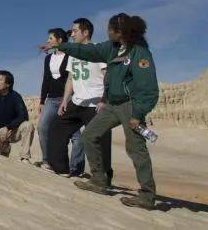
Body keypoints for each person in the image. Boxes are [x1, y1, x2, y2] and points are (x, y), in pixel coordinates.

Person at [45, 13, 159, 210]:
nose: (108, 31)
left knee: (136, 148)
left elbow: (149, 89)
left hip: (131, 106)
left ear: (121, 31)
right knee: (90, 134)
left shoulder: (139, 52)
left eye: (111, 28)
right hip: (112, 105)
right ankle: (99, 180)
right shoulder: (111, 47)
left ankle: (147, 196)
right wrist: (61, 46)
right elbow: (87, 51)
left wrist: (138, 114)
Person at [47, 18, 113, 183]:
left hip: (96, 103)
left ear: (86, 33)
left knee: (100, 141)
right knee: (56, 128)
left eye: (75, 31)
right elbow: (70, 78)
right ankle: (61, 169)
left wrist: (104, 99)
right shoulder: (73, 53)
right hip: (77, 102)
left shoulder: (98, 51)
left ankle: (104, 177)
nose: (72, 34)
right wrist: (64, 101)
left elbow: (108, 77)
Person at [37, 28, 81, 172]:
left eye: (51, 38)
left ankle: (76, 168)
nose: (48, 41)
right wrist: (42, 101)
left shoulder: (71, 56)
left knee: (75, 135)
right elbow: (46, 79)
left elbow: (73, 79)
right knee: (42, 127)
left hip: (68, 99)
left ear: (60, 40)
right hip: (51, 99)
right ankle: (46, 160)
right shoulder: (48, 58)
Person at [0, 70, 35, 161]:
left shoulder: (15, 96)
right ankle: (5, 147)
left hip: (13, 131)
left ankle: (24, 157)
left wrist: (9, 127)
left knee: (28, 125)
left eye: (0, 80)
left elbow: (23, 116)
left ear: (8, 84)